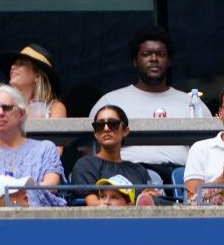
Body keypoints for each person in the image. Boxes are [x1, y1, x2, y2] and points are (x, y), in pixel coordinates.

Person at [88, 27, 211, 180]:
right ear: (135, 61)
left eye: (160, 54)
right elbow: (91, 152)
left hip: (183, 179)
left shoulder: (191, 102)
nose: (154, 58)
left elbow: (209, 149)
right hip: (127, 179)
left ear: (169, 61)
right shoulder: (110, 102)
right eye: (146, 54)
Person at [0, 84, 65, 206]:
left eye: (6, 107)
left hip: (36, 220)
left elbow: (51, 186)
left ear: (21, 114)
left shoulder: (45, 149)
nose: (0, 113)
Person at [71, 105, 158, 206]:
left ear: (125, 131)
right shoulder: (85, 164)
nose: (106, 128)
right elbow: (93, 205)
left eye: (113, 123)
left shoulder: (139, 170)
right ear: (95, 133)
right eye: (99, 125)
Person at [0, 44, 67, 119]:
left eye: (21, 63)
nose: (12, 67)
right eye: (13, 64)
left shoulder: (55, 108)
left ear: (37, 76)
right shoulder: (3, 107)